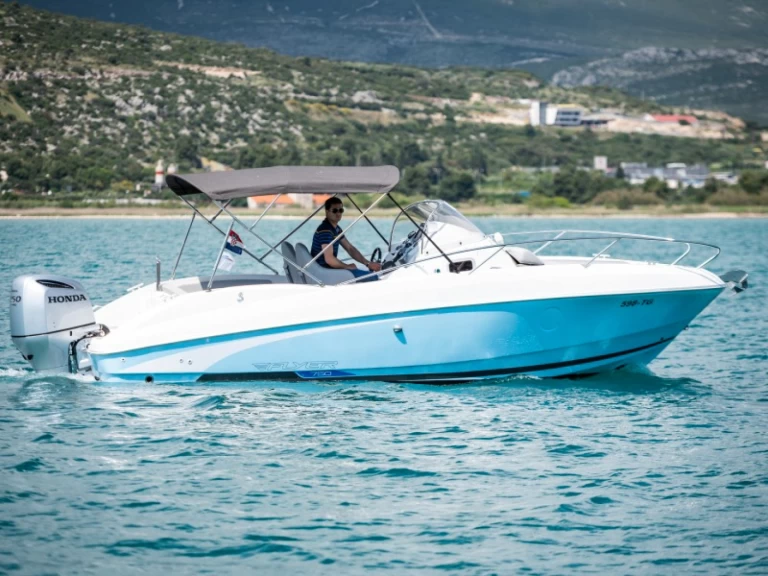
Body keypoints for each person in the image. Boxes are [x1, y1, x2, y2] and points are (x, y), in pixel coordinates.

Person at [311, 197, 382, 282]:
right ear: (327, 211)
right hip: (325, 272)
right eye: (334, 210)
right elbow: (329, 259)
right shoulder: (325, 231)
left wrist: (368, 263)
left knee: (367, 273)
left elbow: (350, 248)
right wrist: (347, 267)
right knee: (374, 278)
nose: (338, 213)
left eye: (341, 210)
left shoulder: (335, 229)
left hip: (329, 270)